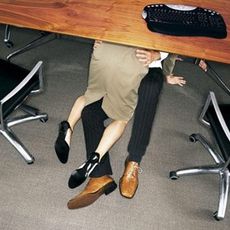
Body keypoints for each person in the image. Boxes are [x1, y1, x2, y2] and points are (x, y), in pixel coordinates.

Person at [55, 41, 186, 209]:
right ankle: (99, 175)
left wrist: (159, 54)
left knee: (151, 86)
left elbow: (177, 33)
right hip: (123, 54)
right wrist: (102, 36)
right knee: (91, 111)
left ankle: (133, 160)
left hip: (148, 63)